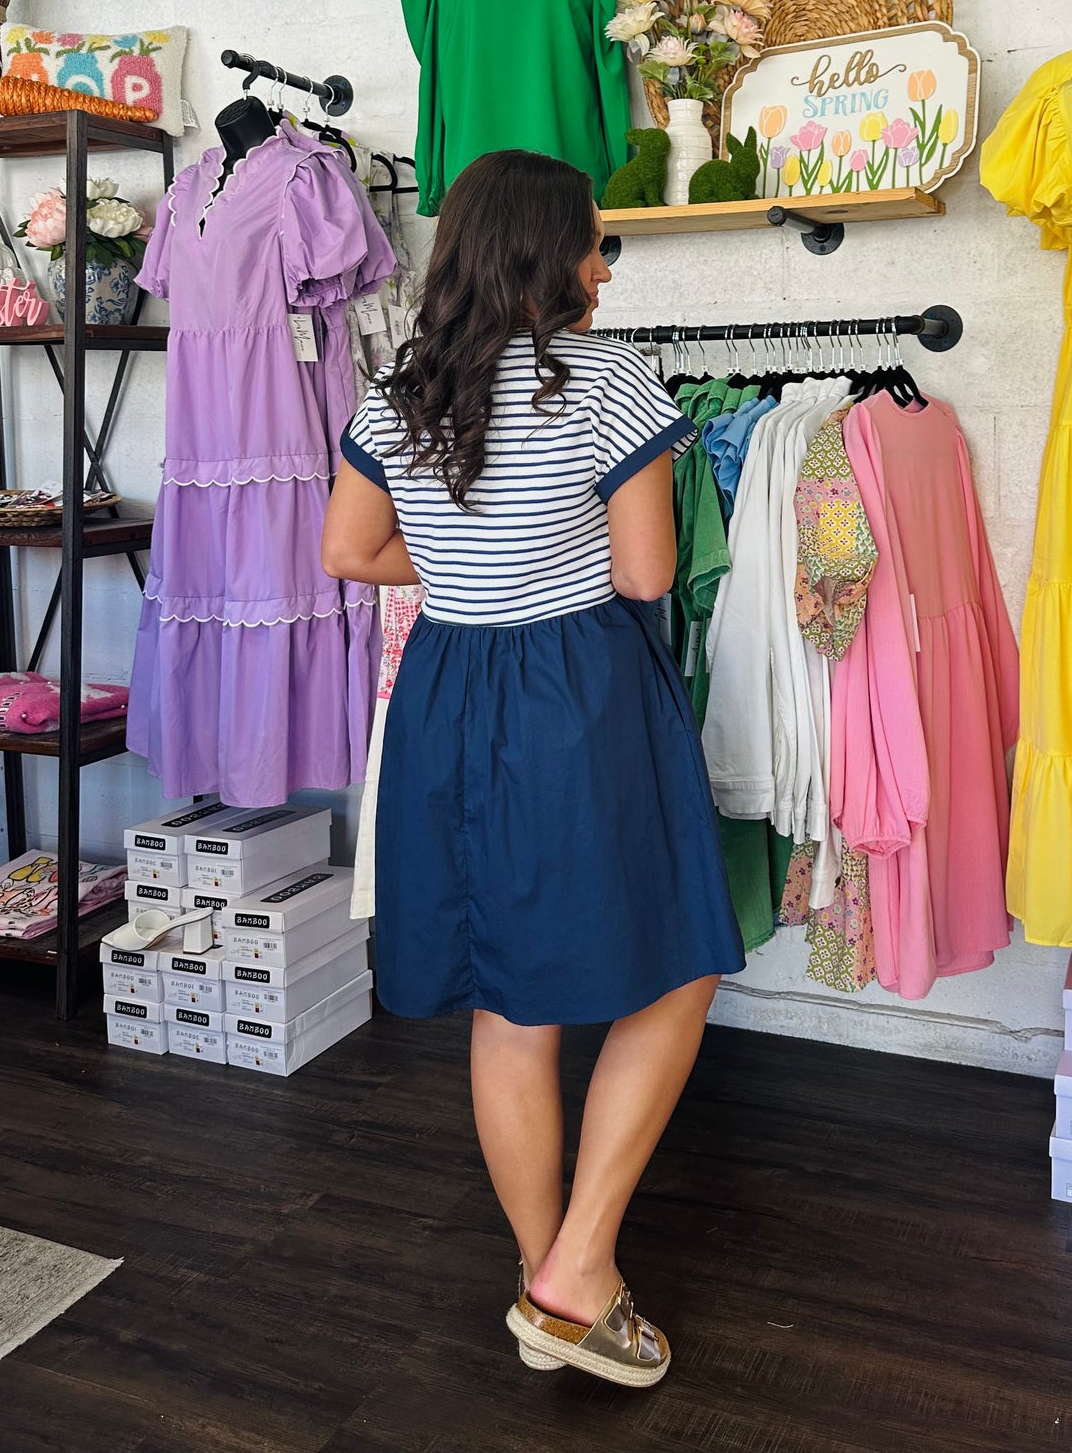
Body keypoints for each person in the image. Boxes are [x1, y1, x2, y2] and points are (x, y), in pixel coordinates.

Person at [322, 149, 744, 1387]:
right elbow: (647, 576)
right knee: (675, 969)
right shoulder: (610, 378)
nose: (601, 266)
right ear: (544, 254)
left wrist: (459, 576)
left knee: (513, 1005)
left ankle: (545, 1278)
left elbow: (350, 553)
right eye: (592, 244)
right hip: (575, 695)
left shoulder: (397, 391)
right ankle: (578, 1265)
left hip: (449, 693)